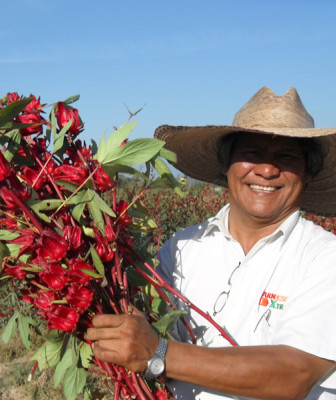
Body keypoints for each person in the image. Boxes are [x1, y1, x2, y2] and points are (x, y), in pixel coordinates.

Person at [85, 87, 336, 399]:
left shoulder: (326, 258)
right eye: (252, 154)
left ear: (308, 173)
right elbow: (142, 336)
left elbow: (292, 375)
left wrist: (158, 352)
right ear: (225, 165)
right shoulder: (182, 247)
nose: (268, 170)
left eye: (286, 157)